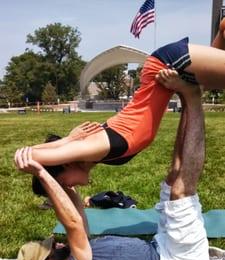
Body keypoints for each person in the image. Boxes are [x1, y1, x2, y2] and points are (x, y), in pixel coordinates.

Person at [15, 73, 209, 260]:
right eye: (52, 248)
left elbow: (77, 210)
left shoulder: (82, 250)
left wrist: (58, 180)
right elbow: (73, 224)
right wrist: (42, 174)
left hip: (163, 244)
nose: (58, 244)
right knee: (180, 192)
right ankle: (194, 97)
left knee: (174, 177)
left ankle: (186, 98)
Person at [15, 18, 225, 181]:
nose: (68, 188)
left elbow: (26, 155)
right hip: (166, 71)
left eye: (62, 182)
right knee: (215, 78)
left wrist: (68, 141)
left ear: (67, 165)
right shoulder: (97, 154)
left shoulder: (92, 147)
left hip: (167, 66)